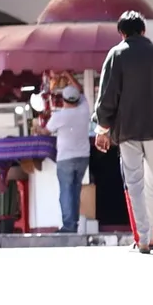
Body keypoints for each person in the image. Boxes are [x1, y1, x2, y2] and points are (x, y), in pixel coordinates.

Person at [93, 10, 153, 254]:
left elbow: (107, 96)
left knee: (134, 184)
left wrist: (103, 129)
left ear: (122, 33)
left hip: (127, 132)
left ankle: (143, 237)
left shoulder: (116, 55)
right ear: (143, 30)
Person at [45, 86, 92, 233]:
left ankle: (68, 226)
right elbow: (80, 90)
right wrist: (68, 76)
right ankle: (74, 224)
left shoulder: (59, 116)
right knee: (75, 191)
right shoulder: (84, 110)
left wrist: (37, 130)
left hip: (65, 158)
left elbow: (46, 131)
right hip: (83, 157)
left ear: (63, 100)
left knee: (66, 192)